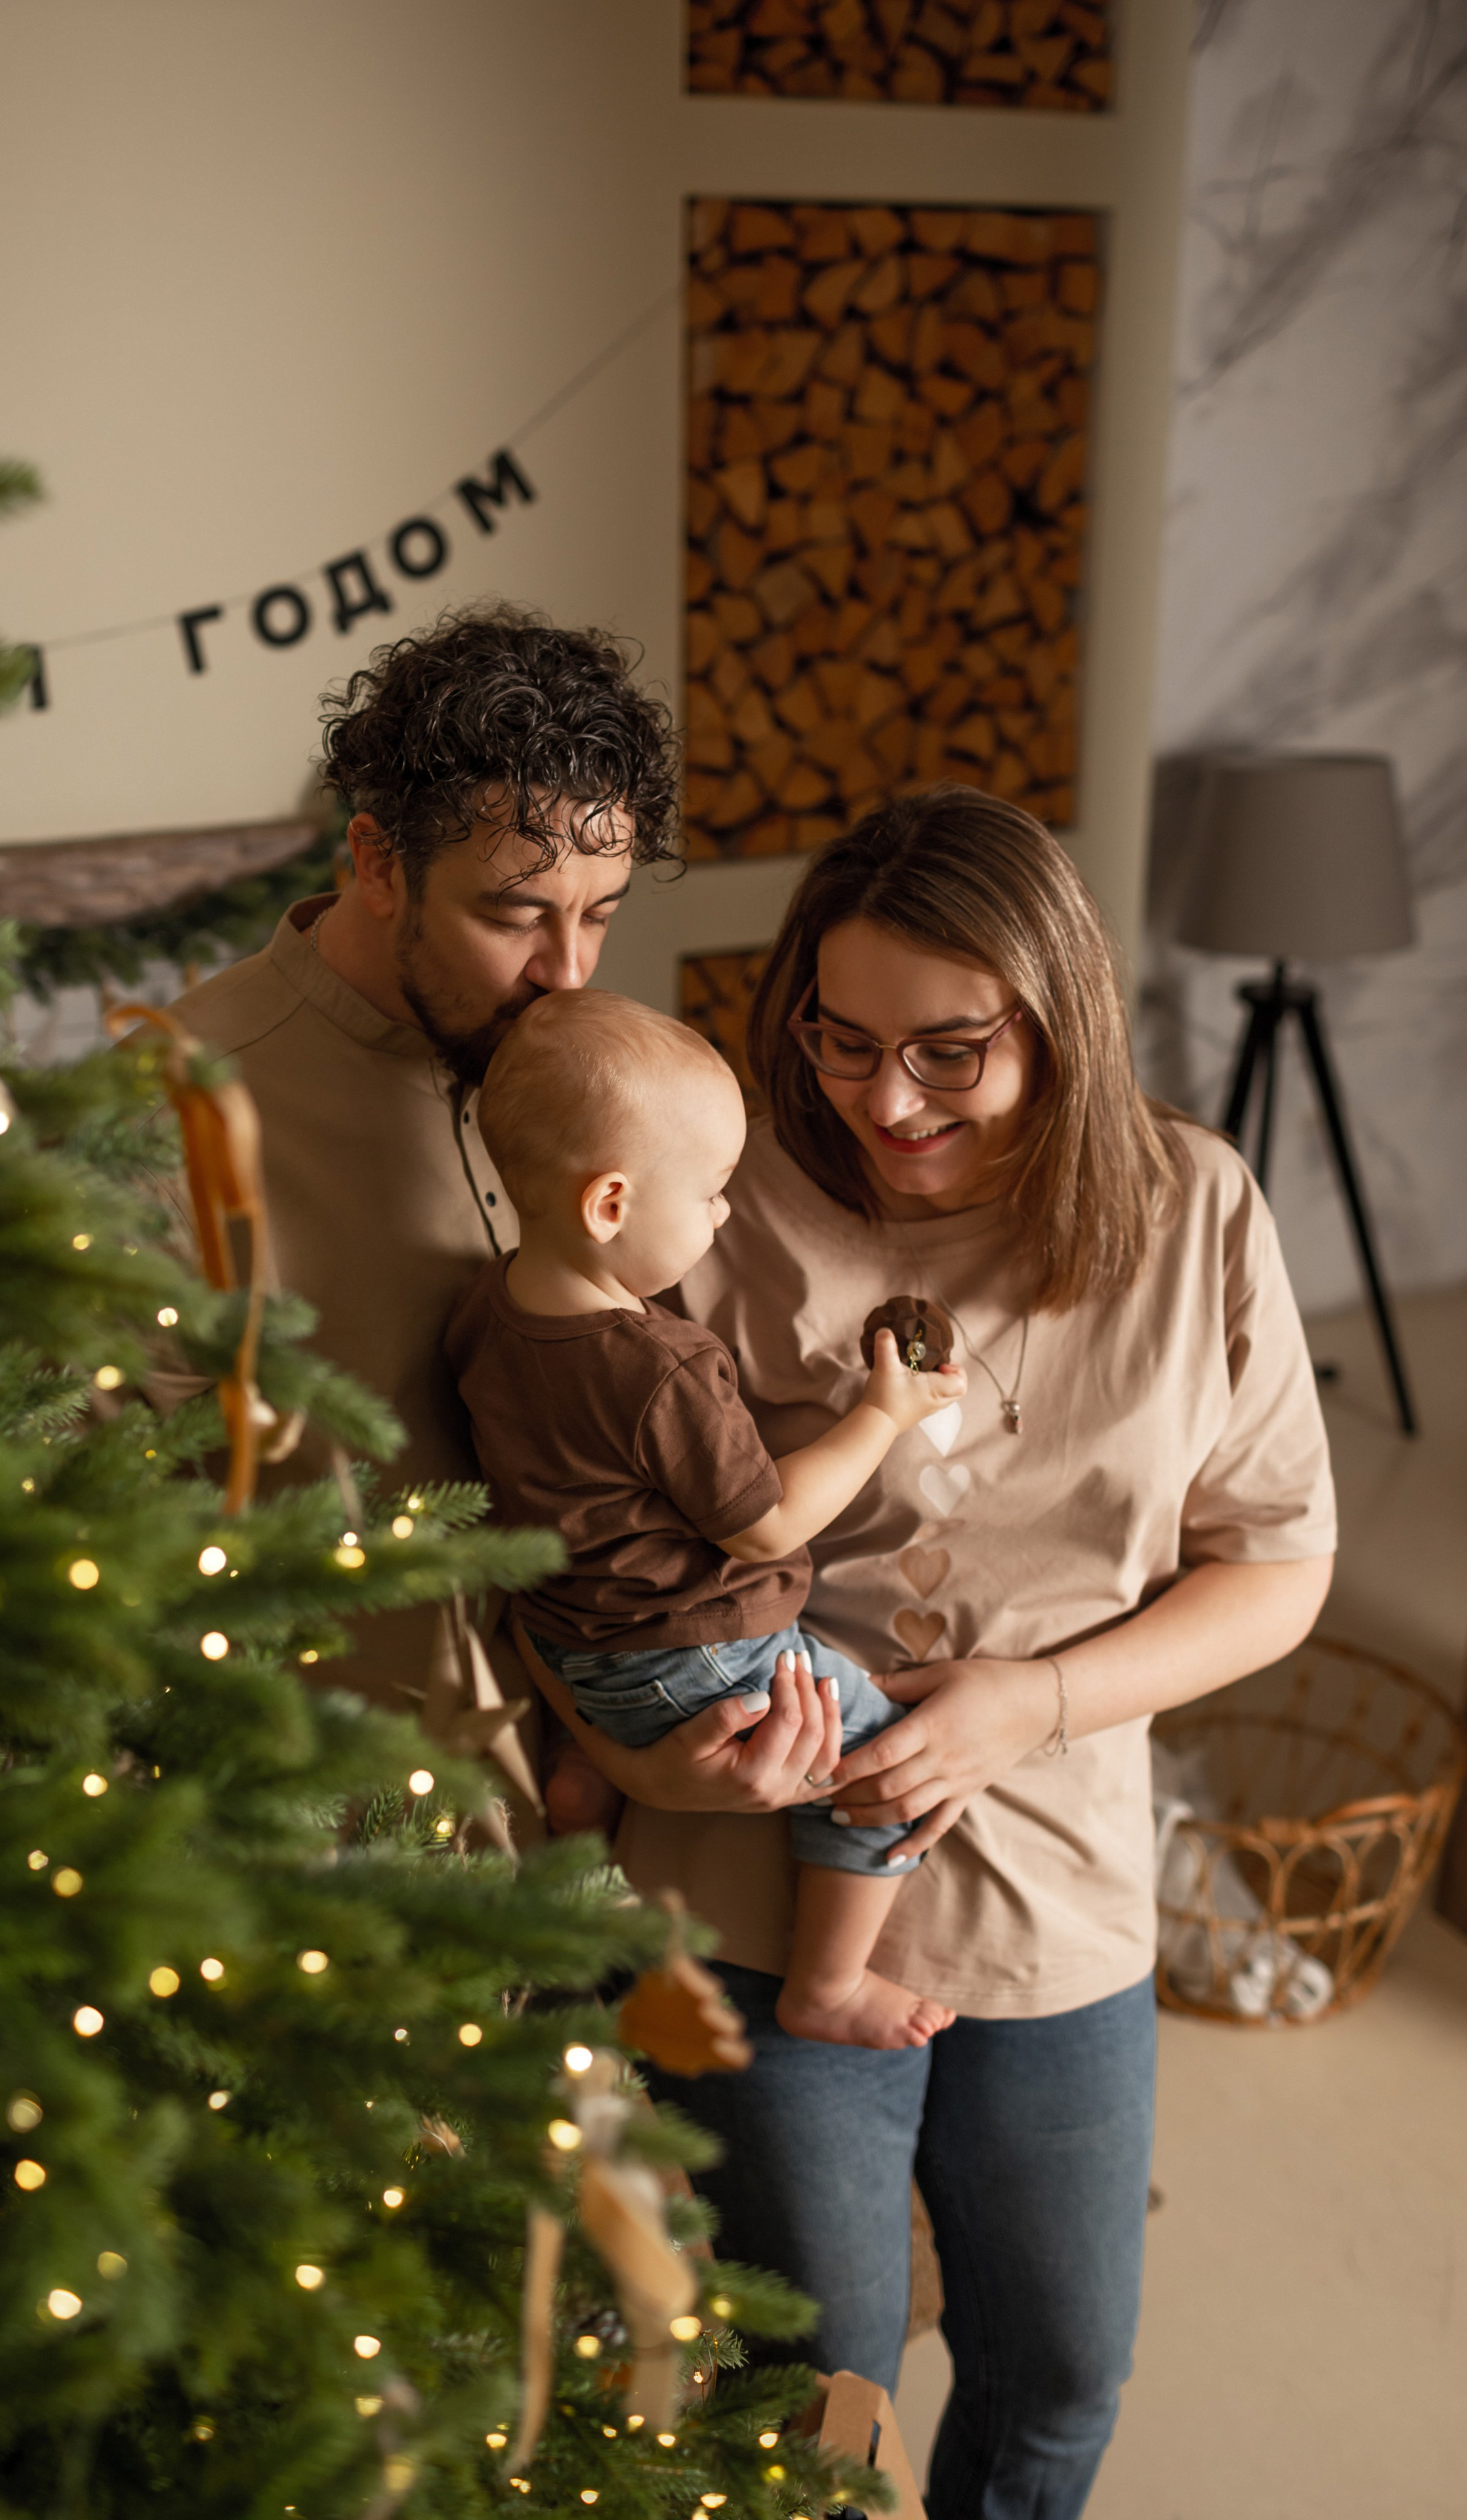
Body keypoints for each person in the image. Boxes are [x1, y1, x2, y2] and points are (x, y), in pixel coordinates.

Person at [519, 788, 1336, 2520]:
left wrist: (1030, 1702)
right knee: (818, 2392)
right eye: (841, 1040)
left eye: (952, 1053)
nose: (885, 1103)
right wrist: (659, 1759)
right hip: (751, 1876)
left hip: (1063, 1891)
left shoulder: (1195, 1211)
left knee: (1060, 2366)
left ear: (1059, 1016)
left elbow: (1276, 1564)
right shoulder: (707, 1200)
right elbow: (579, 1536)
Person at [162, 602, 847, 1807]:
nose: (569, 972)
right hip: (313, 1865)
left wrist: (644, 1753)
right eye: (516, 914)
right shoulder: (172, 1117)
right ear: (377, 864)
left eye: (601, 913)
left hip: (587, 1852)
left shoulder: (597, 1081)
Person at [446, 988, 966, 2047]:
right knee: (888, 1768)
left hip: (568, 1637)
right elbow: (766, 1527)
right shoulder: (662, 1368)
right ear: (610, 1207)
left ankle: (585, 1779)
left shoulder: (486, 1309)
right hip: (684, 1656)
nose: (725, 1214)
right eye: (714, 1193)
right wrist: (882, 1413)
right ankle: (828, 1983)